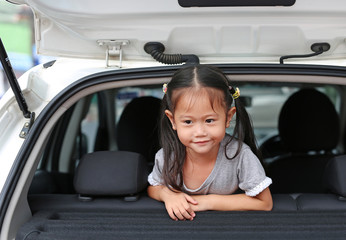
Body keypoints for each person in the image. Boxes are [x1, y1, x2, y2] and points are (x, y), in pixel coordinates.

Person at [147, 65, 273, 221]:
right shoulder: (167, 156)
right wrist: (167, 195)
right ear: (172, 120)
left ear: (228, 118)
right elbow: (153, 187)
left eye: (209, 120)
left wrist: (207, 201)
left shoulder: (240, 155)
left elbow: (265, 203)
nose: (200, 132)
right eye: (188, 121)